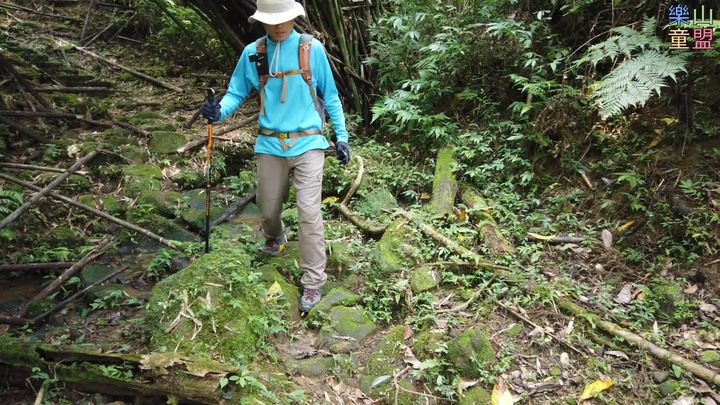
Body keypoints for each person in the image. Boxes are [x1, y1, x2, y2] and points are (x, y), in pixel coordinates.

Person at [201, 0, 350, 313]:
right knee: (268, 209)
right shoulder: (253, 54)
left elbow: (331, 97)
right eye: (273, 20)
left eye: (285, 19)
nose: (280, 26)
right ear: (262, 21)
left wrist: (342, 137)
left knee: (309, 211)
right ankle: (275, 236)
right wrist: (218, 112)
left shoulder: (312, 50)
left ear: (295, 17)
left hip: (309, 143)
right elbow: (236, 92)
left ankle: (313, 282)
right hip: (270, 144)